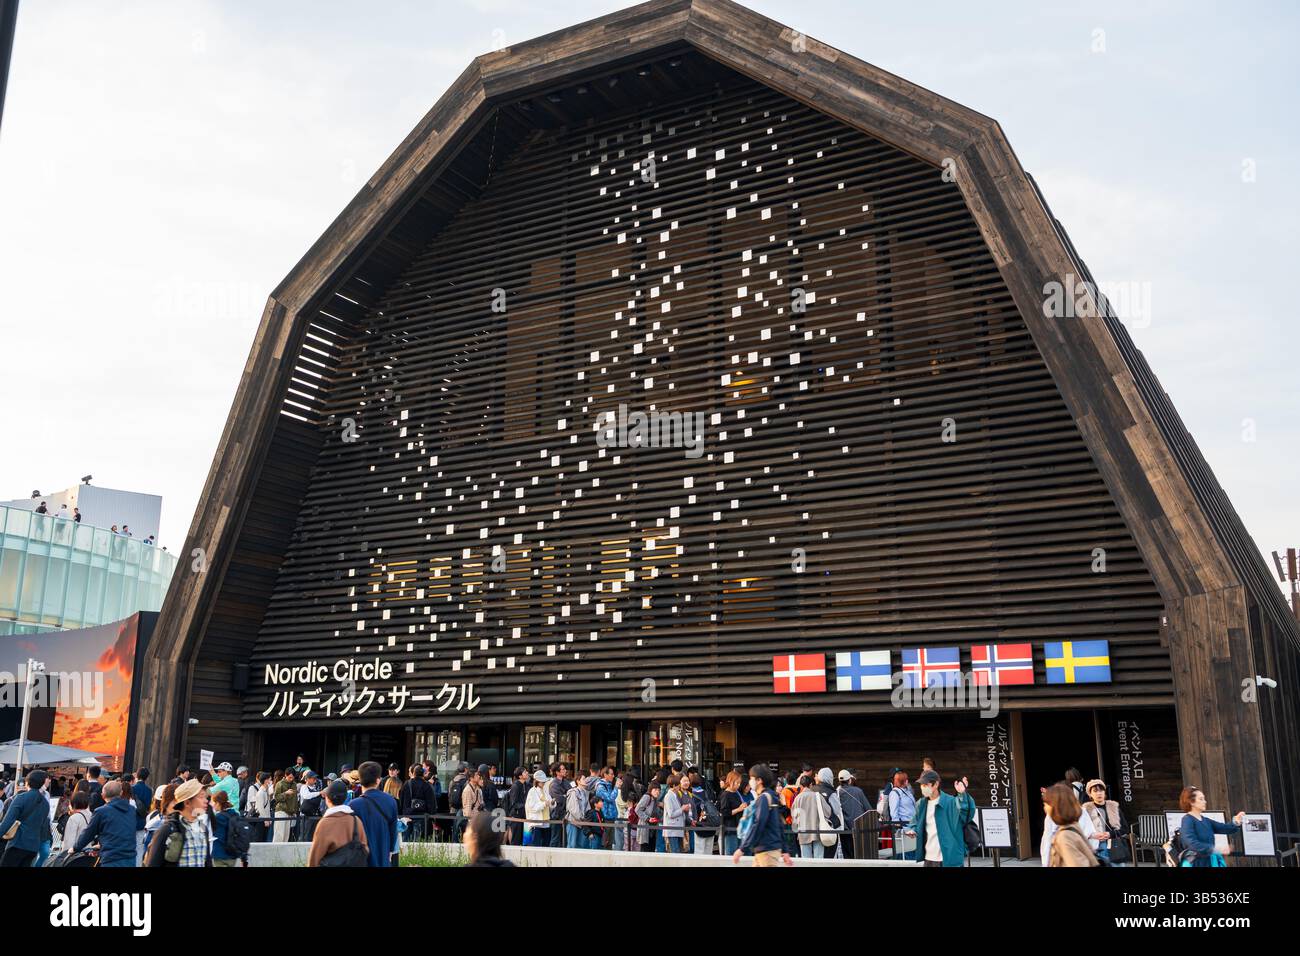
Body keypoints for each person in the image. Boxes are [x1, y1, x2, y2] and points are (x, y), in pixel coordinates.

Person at [903, 770, 975, 867]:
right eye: (921, 785)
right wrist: (912, 830)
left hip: (949, 857)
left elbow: (966, 814)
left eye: (925, 784)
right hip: (929, 857)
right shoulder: (921, 804)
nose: (922, 787)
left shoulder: (951, 802)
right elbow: (914, 822)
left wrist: (962, 794)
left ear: (936, 784)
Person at [733, 765, 793, 866]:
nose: (750, 781)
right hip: (767, 850)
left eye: (752, 778)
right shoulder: (771, 796)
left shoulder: (763, 799)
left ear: (759, 780)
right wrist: (785, 850)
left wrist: (742, 848)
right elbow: (778, 824)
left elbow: (758, 823)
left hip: (766, 851)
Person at [145, 778, 212, 867]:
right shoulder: (168, 830)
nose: (206, 801)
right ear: (187, 803)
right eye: (201, 797)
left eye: (205, 797)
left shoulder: (203, 828)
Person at [71, 779, 136, 867]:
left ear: (103, 795)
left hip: (111, 858)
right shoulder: (131, 810)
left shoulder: (101, 812)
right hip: (130, 858)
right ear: (121, 793)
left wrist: (75, 848)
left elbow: (89, 833)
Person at [1176, 786, 1245, 867]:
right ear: (1191, 802)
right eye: (1201, 799)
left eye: (1204, 799)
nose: (1205, 802)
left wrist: (1236, 821)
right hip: (1195, 863)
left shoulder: (1206, 820)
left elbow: (1224, 828)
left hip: (1208, 862)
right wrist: (1215, 849)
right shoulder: (1187, 820)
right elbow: (1191, 843)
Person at [308, 780, 368, 867]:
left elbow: (315, 858)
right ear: (345, 798)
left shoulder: (324, 824)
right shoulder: (356, 820)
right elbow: (365, 848)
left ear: (327, 798)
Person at [351, 761, 399, 867]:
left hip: (361, 860)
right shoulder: (391, 801)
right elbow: (393, 831)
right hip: (383, 857)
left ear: (360, 780)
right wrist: (390, 850)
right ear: (378, 780)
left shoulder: (353, 805)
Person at [0, 770, 52, 867]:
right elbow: (43, 826)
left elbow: (7, 822)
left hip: (17, 844)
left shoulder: (21, 798)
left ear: (27, 783)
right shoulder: (45, 803)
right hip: (33, 847)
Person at [1044, 783, 1097, 867]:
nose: (1045, 808)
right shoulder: (1073, 826)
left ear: (1056, 806)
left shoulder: (1064, 836)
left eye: (1047, 804)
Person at [1081, 779, 1129, 865]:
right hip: (1095, 847)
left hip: (1114, 846)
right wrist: (1094, 835)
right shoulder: (1085, 810)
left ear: (1104, 792)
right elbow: (1082, 830)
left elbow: (1125, 829)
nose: (1099, 793)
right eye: (1095, 791)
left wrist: (1110, 834)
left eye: (1101, 790)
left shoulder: (1114, 807)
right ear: (1090, 794)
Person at [792, 774, 835, 858]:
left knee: (806, 860)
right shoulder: (818, 796)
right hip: (817, 832)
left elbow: (794, 816)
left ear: (801, 786)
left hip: (803, 832)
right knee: (818, 860)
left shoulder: (798, 798)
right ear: (811, 785)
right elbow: (828, 812)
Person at [836, 769, 870, 858]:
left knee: (847, 854)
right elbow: (868, 809)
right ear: (850, 780)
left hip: (845, 828)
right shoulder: (858, 791)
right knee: (859, 854)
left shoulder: (837, 792)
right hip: (858, 827)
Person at [209, 789, 244, 867]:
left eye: (213, 803)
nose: (213, 805)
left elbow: (213, 835)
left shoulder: (217, 818)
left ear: (218, 803)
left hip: (219, 854)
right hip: (232, 855)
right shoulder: (235, 814)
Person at [400, 764, 435, 840]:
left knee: (405, 839)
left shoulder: (406, 784)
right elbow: (431, 803)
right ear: (423, 774)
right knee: (417, 841)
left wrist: (402, 813)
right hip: (421, 816)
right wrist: (431, 815)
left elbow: (401, 800)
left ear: (414, 773)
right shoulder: (427, 786)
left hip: (407, 815)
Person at [59, 790, 94, 859]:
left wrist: (63, 857)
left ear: (73, 803)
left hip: (75, 855)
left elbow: (68, 842)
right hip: (88, 852)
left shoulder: (74, 818)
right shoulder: (92, 815)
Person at [719, 771, 746, 855]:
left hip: (738, 827)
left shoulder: (736, 793)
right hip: (729, 828)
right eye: (737, 783)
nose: (738, 785)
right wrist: (739, 809)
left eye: (739, 783)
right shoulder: (726, 795)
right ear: (730, 781)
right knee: (731, 854)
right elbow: (724, 812)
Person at [524, 770, 553, 844]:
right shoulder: (532, 791)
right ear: (537, 781)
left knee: (546, 844)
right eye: (542, 782)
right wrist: (544, 804)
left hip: (546, 822)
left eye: (544, 782)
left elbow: (550, 802)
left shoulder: (545, 790)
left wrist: (552, 802)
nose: (544, 783)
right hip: (536, 823)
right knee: (536, 845)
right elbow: (531, 807)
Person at [131, 768, 154, 863]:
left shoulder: (132, 788)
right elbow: (148, 806)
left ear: (137, 775)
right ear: (147, 777)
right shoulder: (149, 790)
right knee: (139, 847)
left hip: (131, 820)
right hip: (142, 820)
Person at [594, 766, 619, 850]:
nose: (613, 776)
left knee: (610, 842)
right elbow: (610, 798)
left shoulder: (608, 785)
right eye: (611, 774)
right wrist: (616, 787)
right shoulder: (601, 787)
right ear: (605, 775)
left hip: (611, 817)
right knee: (605, 842)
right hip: (605, 817)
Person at [272, 769, 299, 842]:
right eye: (289, 777)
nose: (291, 779)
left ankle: (283, 853)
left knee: (286, 836)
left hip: (290, 812)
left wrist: (295, 811)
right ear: (285, 775)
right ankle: (275, 852)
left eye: (292, 777)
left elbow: (295, 799)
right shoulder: (279, 783)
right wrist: (285, 793)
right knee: (279, 835)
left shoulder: (294, 784)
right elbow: (276, 798)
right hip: (281, 810)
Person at [506, 766, 530, 845]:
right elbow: (514, 803)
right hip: (516, 816)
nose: (527, 773)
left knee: (525, 840)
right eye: (525, 772)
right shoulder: (515, 786)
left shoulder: (526, 785)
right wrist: (525, 805)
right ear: (520, 776)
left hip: (524, 815)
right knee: (516, 839)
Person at [635, 781, 661, 852]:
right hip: (645, 828)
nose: (657, 792)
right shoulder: (647, 797)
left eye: (659, 790)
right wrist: (647, 819)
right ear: (650, 790)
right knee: (645, 849)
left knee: (651, 849)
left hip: (652, 829)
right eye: (655, 790)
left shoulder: (655, 799)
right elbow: (637, 809)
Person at [246, 771, 272, 842]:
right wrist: (266, 819)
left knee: (263, 839)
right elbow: (260, 808)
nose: (271, 781)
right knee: (259, 839)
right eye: (270, 779)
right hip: (261, 819)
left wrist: (268, 818)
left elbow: (267, 807)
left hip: (264, 819)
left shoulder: (265, 791)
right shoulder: (261, 792)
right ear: (266, 781)